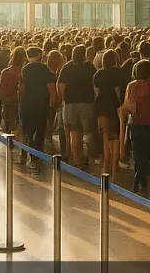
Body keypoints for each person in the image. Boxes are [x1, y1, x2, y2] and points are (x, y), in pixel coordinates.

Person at [119, 59, 150, 195]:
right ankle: (141, 180)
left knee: (137, 154)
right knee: (146, 154)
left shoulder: (132, 86)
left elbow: (127, 105)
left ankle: (139, 180)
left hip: (135, 123)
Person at [58, 45, 96, 167]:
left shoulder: (67, 67)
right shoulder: (89, 66)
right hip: (87, 103)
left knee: (74, 133)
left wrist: (63, 100)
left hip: (70, 104)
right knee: (89, 132)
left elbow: (61, 85)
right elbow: (95, 84)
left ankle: (77, 159)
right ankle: (92, 158)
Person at [17, 46, 52, 175]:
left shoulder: (25, 68)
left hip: (27, 104)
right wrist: (52, 101)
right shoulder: (44, 68)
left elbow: (22, 88)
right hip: (41, 104)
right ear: (38, 55)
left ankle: (26, 154)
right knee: (40, 132)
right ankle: (36, 157)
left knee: (28, 132)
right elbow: (50, 86)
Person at [93, 49, 126, 177]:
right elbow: (118, 92)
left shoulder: (98, 74)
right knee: (115, 137)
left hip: (101, 107)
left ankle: (105, 165)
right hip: (114, 107)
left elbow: (96, 92)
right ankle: (114, 167)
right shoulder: (119, 73)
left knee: (105, 137)